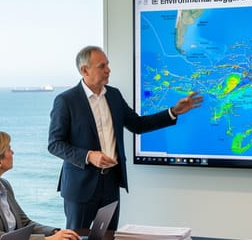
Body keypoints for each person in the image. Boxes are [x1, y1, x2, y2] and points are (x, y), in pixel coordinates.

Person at [47, 45, 204, 230]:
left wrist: (174, 111)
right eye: (102, 66)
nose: (108, 70)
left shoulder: (113, 95)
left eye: (108, 65)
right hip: (80, 188)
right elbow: (55, 144)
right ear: (84, 70)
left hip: (111, 184)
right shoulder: (66, 101)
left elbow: (138, 125)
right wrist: (89, 156)